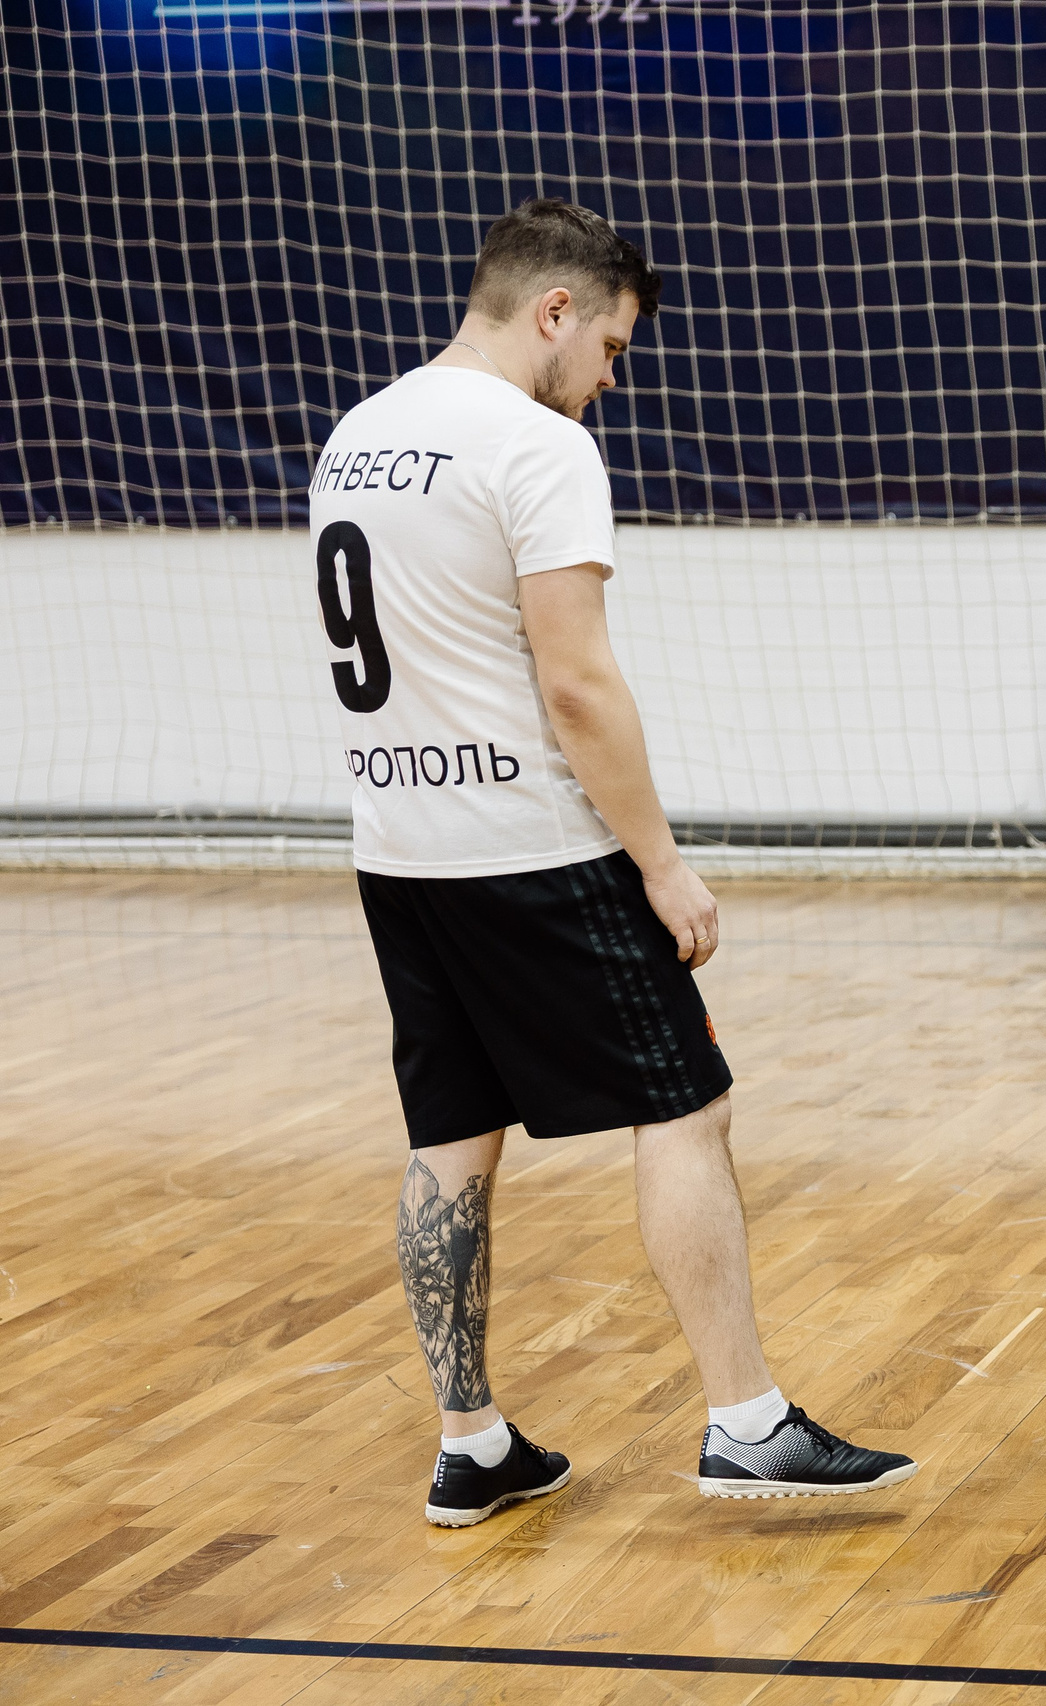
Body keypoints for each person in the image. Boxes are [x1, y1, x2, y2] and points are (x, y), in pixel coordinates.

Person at [310, 197, 915, 1526]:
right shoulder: (538, 443)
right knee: (687, 1106)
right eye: (612, 347)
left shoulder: (358, 435)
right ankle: (747, 1422)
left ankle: (471, 1442)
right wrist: (662, 865)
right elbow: (576, 684)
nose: (611, 379)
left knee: (451, 1137)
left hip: (399, 850)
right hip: (534, 848)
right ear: (555, 312)